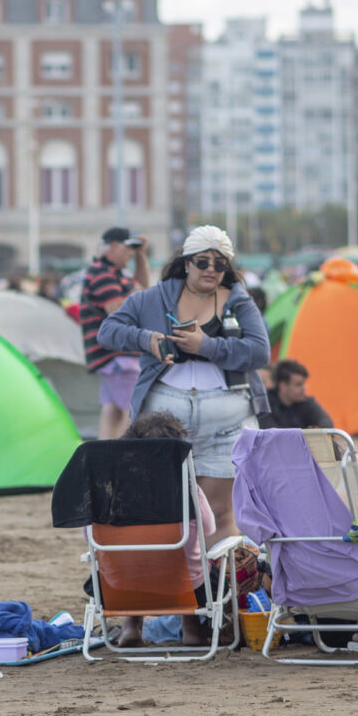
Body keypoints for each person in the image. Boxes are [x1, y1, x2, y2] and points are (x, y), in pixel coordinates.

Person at [98, 225, 270, 548]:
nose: (211, 270)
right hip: (163, 422)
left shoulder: (238, 301)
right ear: (186, 262)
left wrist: (206, 346)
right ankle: (175, 584)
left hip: (226, 420)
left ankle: (215, 590)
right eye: (203, 262)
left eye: (220, 264)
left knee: (219, 514)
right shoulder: (152, 298)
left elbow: (260, 352)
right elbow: (107, 330)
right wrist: (146, 340)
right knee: (164, 511)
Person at [113, 411, 214, 647]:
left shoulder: (111, 492)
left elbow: (90, 536)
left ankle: (131, 628)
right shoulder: (188, 490)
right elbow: (208, 528)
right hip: (183, 588)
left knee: (134, 564)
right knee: (199, 568)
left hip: (119, 588)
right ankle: (192, 630)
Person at [80, 226, 151, 439]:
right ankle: (125, 458)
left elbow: (143, 287)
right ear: (112, 246)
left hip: (111, 356)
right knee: (133, 411)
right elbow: (117, 310)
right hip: (118, 355)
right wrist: (137, 297)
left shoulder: (114, 273)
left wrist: (141, 256)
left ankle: (105, 458)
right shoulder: (102, 273)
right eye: (127, 248)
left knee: (111, 411)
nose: (130, 253)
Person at [261, 360, 333, 430]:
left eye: (304, 383)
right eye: (298, 384)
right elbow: (271, 432)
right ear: (283, 386)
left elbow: (326, 422)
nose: (304, 388)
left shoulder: (307, 403)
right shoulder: (265, 403)